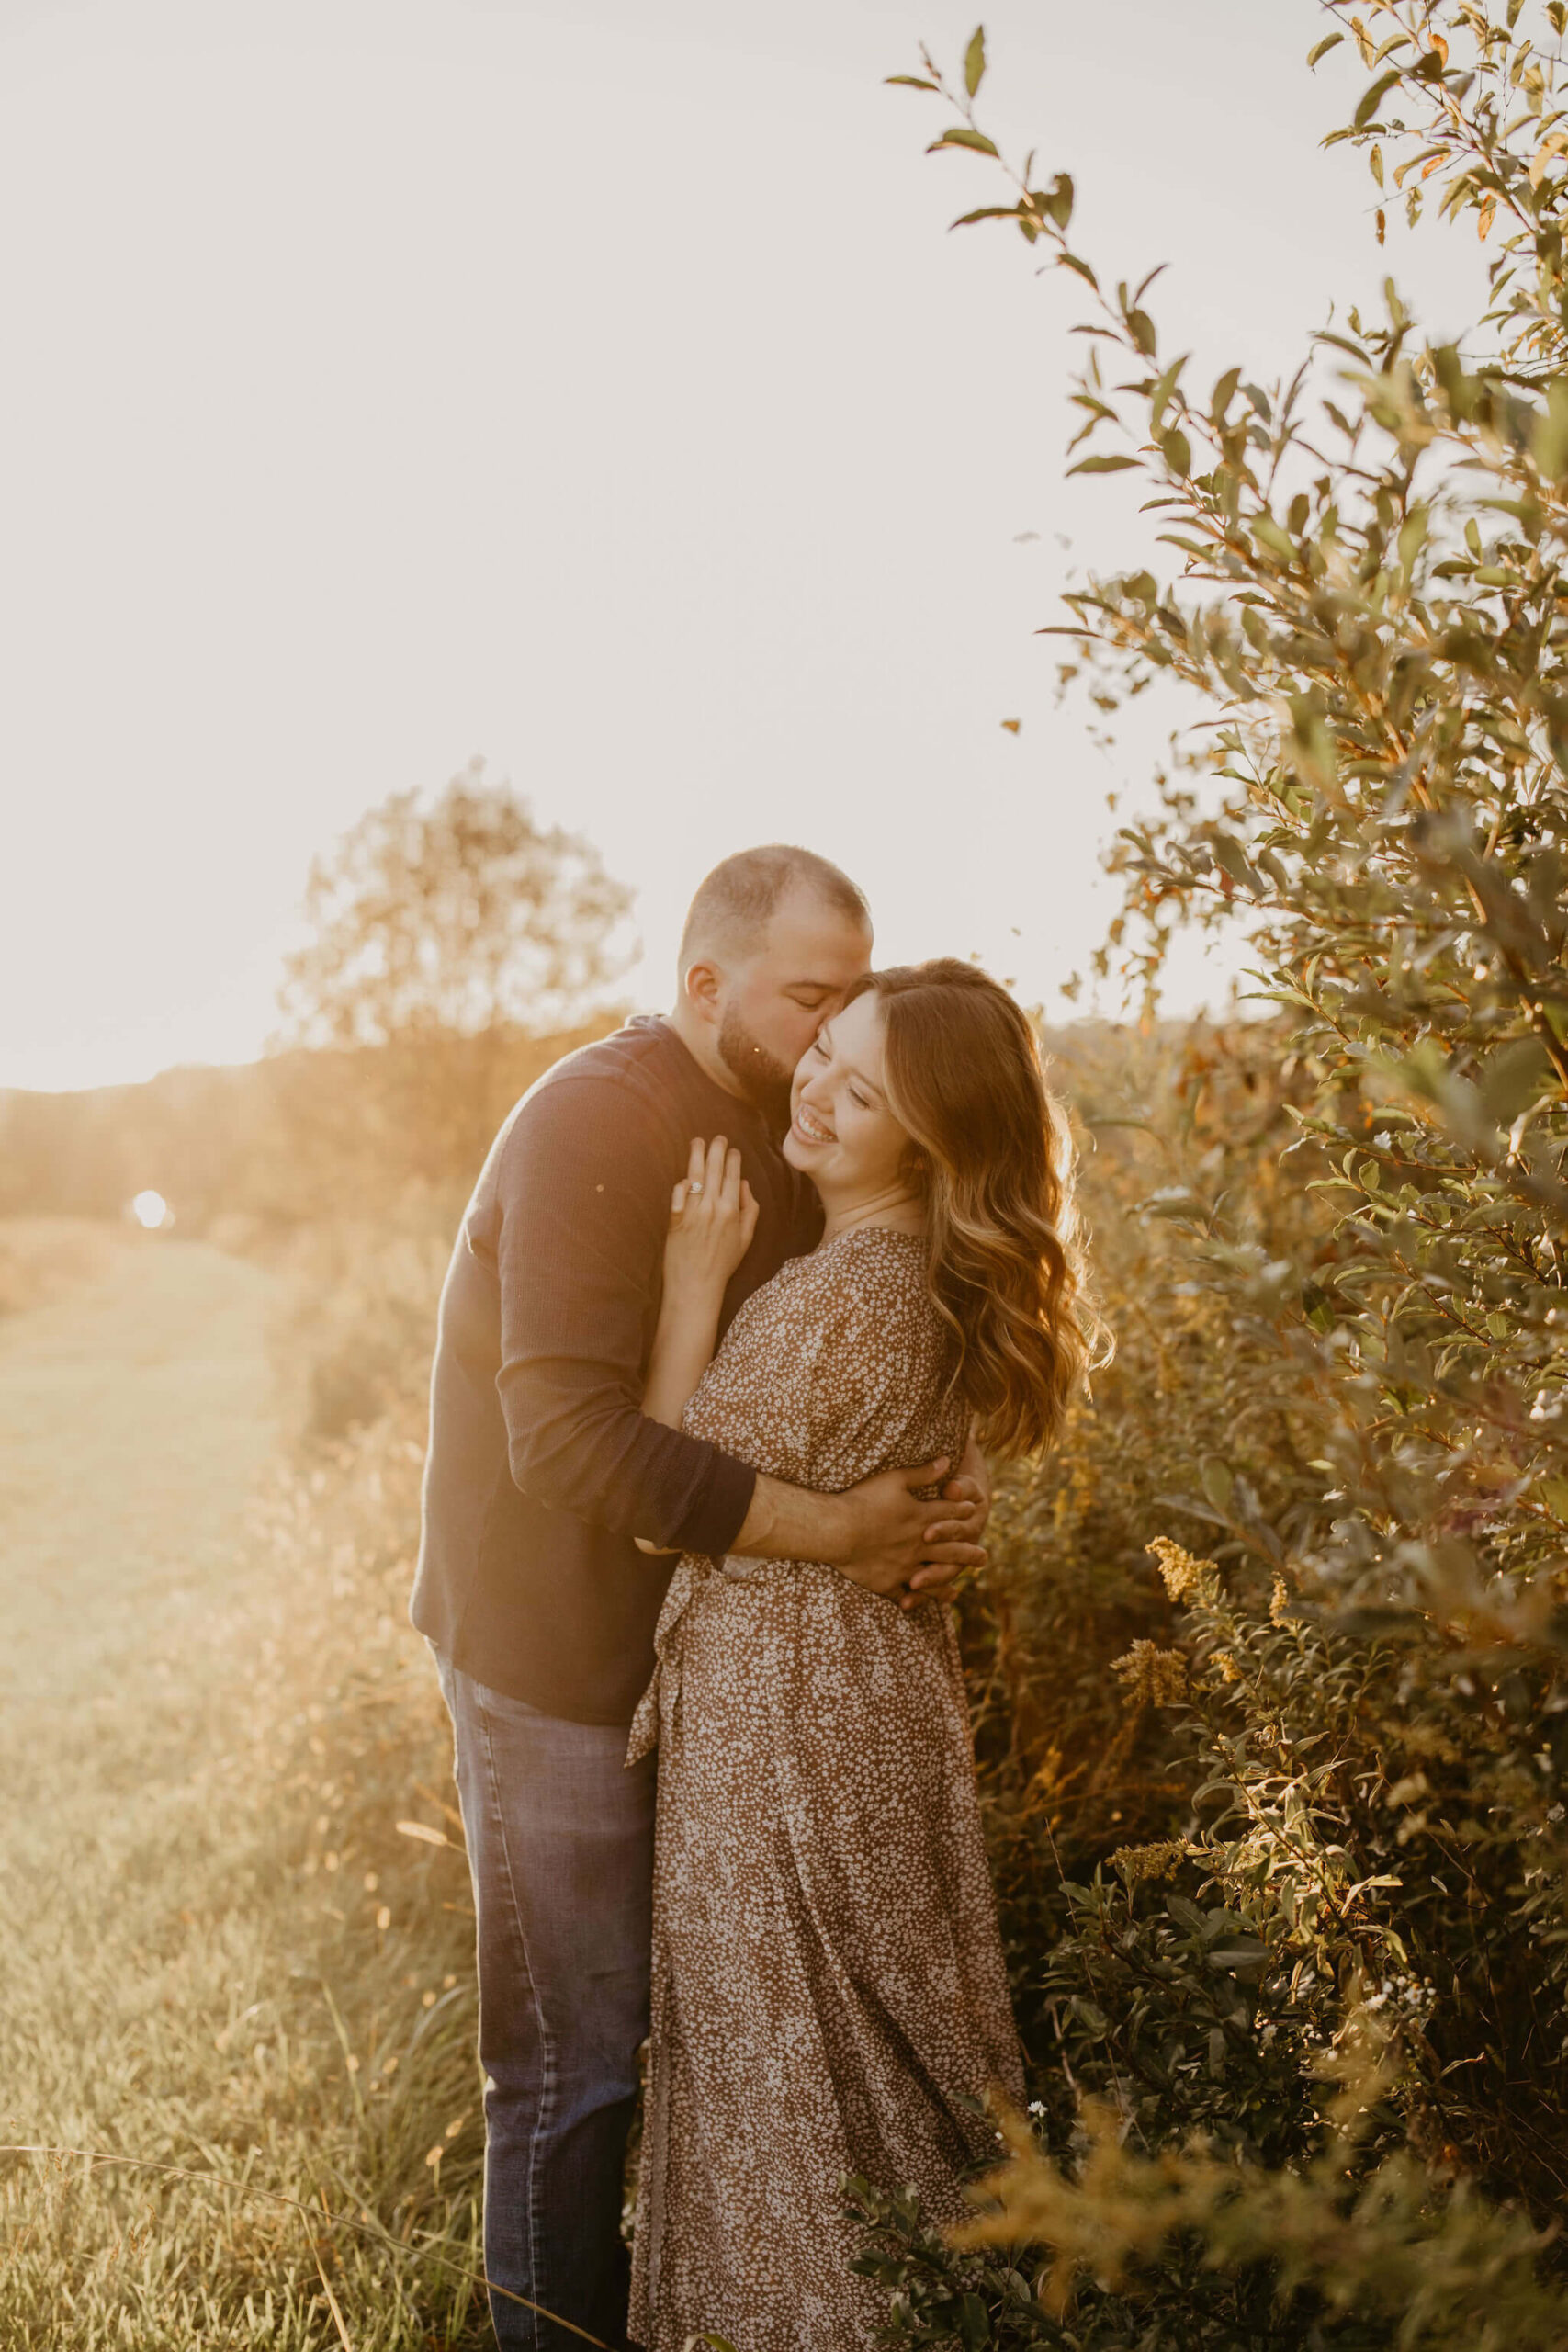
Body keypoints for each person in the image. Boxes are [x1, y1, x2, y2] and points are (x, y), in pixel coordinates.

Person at [410, 848, 992, 2351]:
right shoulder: (596, 1122)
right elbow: (568, 1443)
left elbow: (853, 1343)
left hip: (724, 1680)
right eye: (811, 999)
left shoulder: (794, 1134)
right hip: (554, 1664)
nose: (828, 1038)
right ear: (705, 983)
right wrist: (849, 1533)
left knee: (707, 2050)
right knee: (576, 2069)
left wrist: (938, 1486)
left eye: (849, 1006)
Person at [625, 959, 1097, 2351]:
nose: (817, 1087)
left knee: (795, 2086)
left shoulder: (850, 1294)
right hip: (864, 1706)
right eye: (824, 1047)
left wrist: (690, 1280)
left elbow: (665, 1504)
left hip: (790, 1726)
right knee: (874, 2075)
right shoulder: (916, 1280)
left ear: (927, 1141)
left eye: (863, 1087)